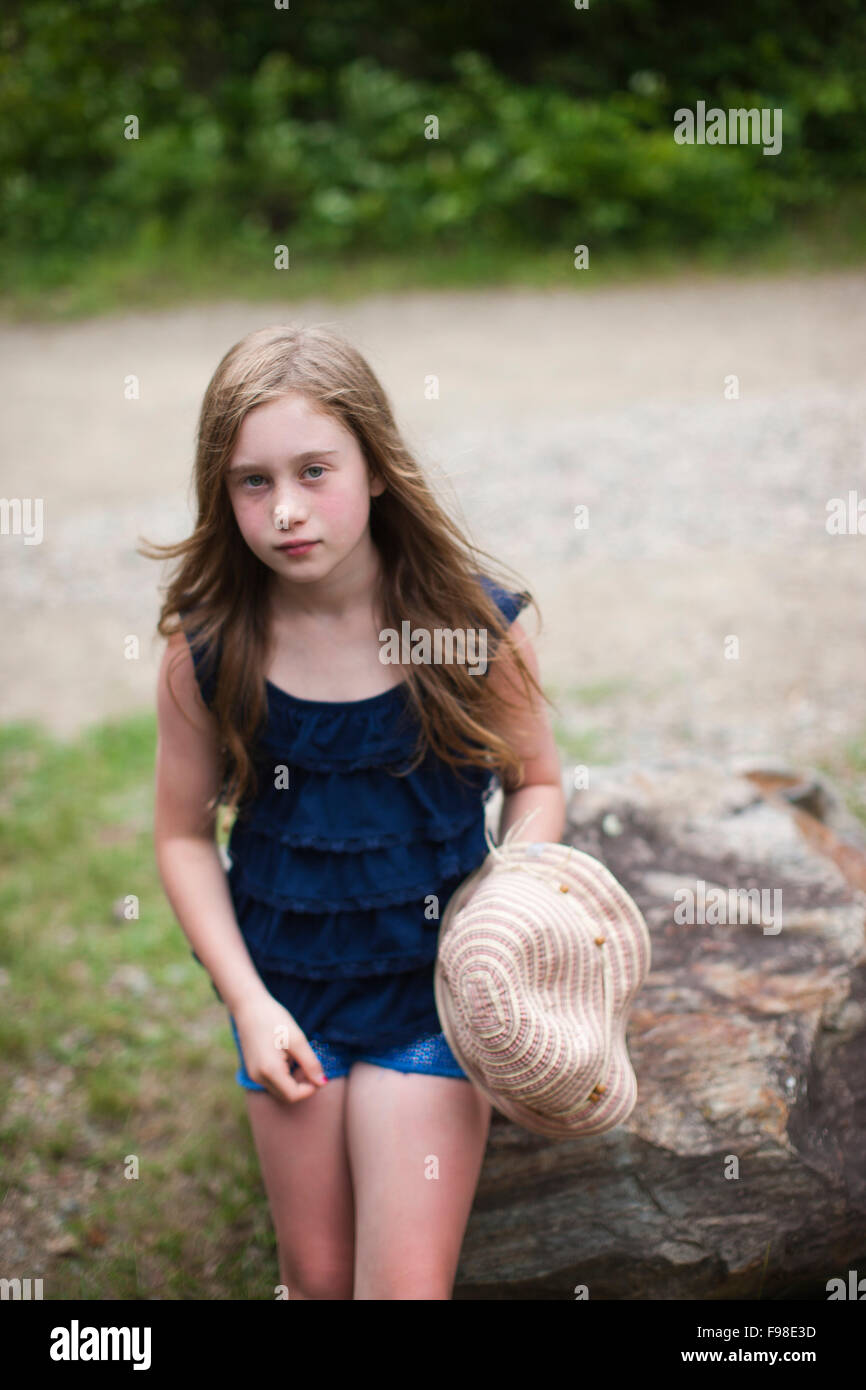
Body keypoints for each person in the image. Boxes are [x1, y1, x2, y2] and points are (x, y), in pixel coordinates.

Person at [146, 322, 566, 1300]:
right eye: (253, 481)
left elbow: (536, 780)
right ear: (223, 492)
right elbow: (179, 835)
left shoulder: (468, 631)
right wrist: (249, 1004)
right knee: (317, 1278)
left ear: (375, 468)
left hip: (432, 997)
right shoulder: (209, 652)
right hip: (287, 995)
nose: (286, 509)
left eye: (313, 471)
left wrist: (504, 906)